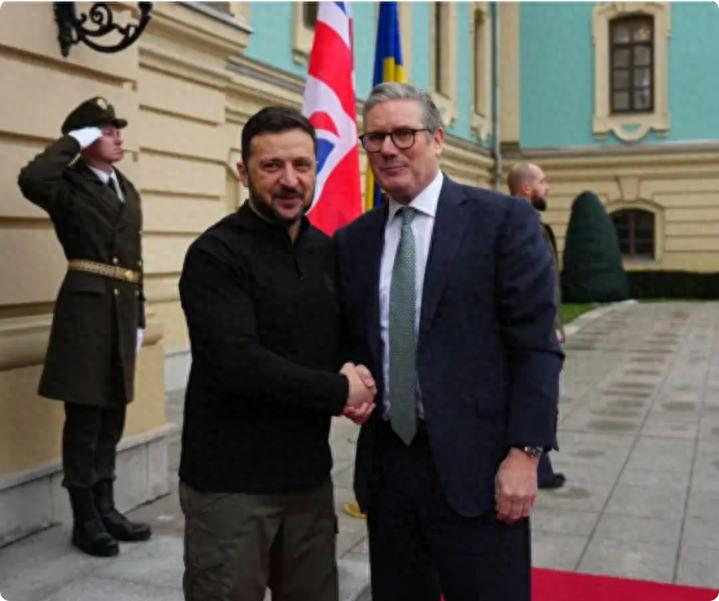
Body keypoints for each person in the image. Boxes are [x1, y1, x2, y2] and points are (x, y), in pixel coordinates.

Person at [334, 83, 563, 601]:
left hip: (481, 470)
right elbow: (351, 340)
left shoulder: (502, 222)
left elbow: (536, 348)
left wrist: (526, 455)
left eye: (404, 134)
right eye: (375, 138)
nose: (388, 148)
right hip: (390, 470)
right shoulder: (353, 241)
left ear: (437, 139)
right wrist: (346, 373)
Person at [178, 106, 375, 601]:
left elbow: (337, 336)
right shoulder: (214, 255)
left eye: (302, 165)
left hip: (308, 482)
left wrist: (355, 370)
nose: (290, 180)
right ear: (243, 173)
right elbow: (237, 363)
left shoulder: (326, 250)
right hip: (231, 488)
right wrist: (339, 391)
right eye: (272, 166)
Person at [17, 97, 151, 557]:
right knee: (85, 418)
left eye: (117, 130)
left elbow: (134, 260)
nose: (117, 138)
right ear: (87, 138)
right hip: (86, 312)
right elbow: (31, 179)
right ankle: (85, 517)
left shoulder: (125, 188)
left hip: (121, 311)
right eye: (106, 131)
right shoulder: (67, 185)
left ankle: (107, 506)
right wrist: (72, 142)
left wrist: (139, 317)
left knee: (113, 413)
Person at [508, 162, 567, 490]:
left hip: (537, 327)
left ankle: (539, 466)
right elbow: (538, 286)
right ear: (527, 188)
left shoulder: (519, 222)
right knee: (538, 394)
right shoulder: (523, 226)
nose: (548, 188)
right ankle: (537, 468)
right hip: (537, 330)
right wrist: (551, 325)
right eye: (543, 182)